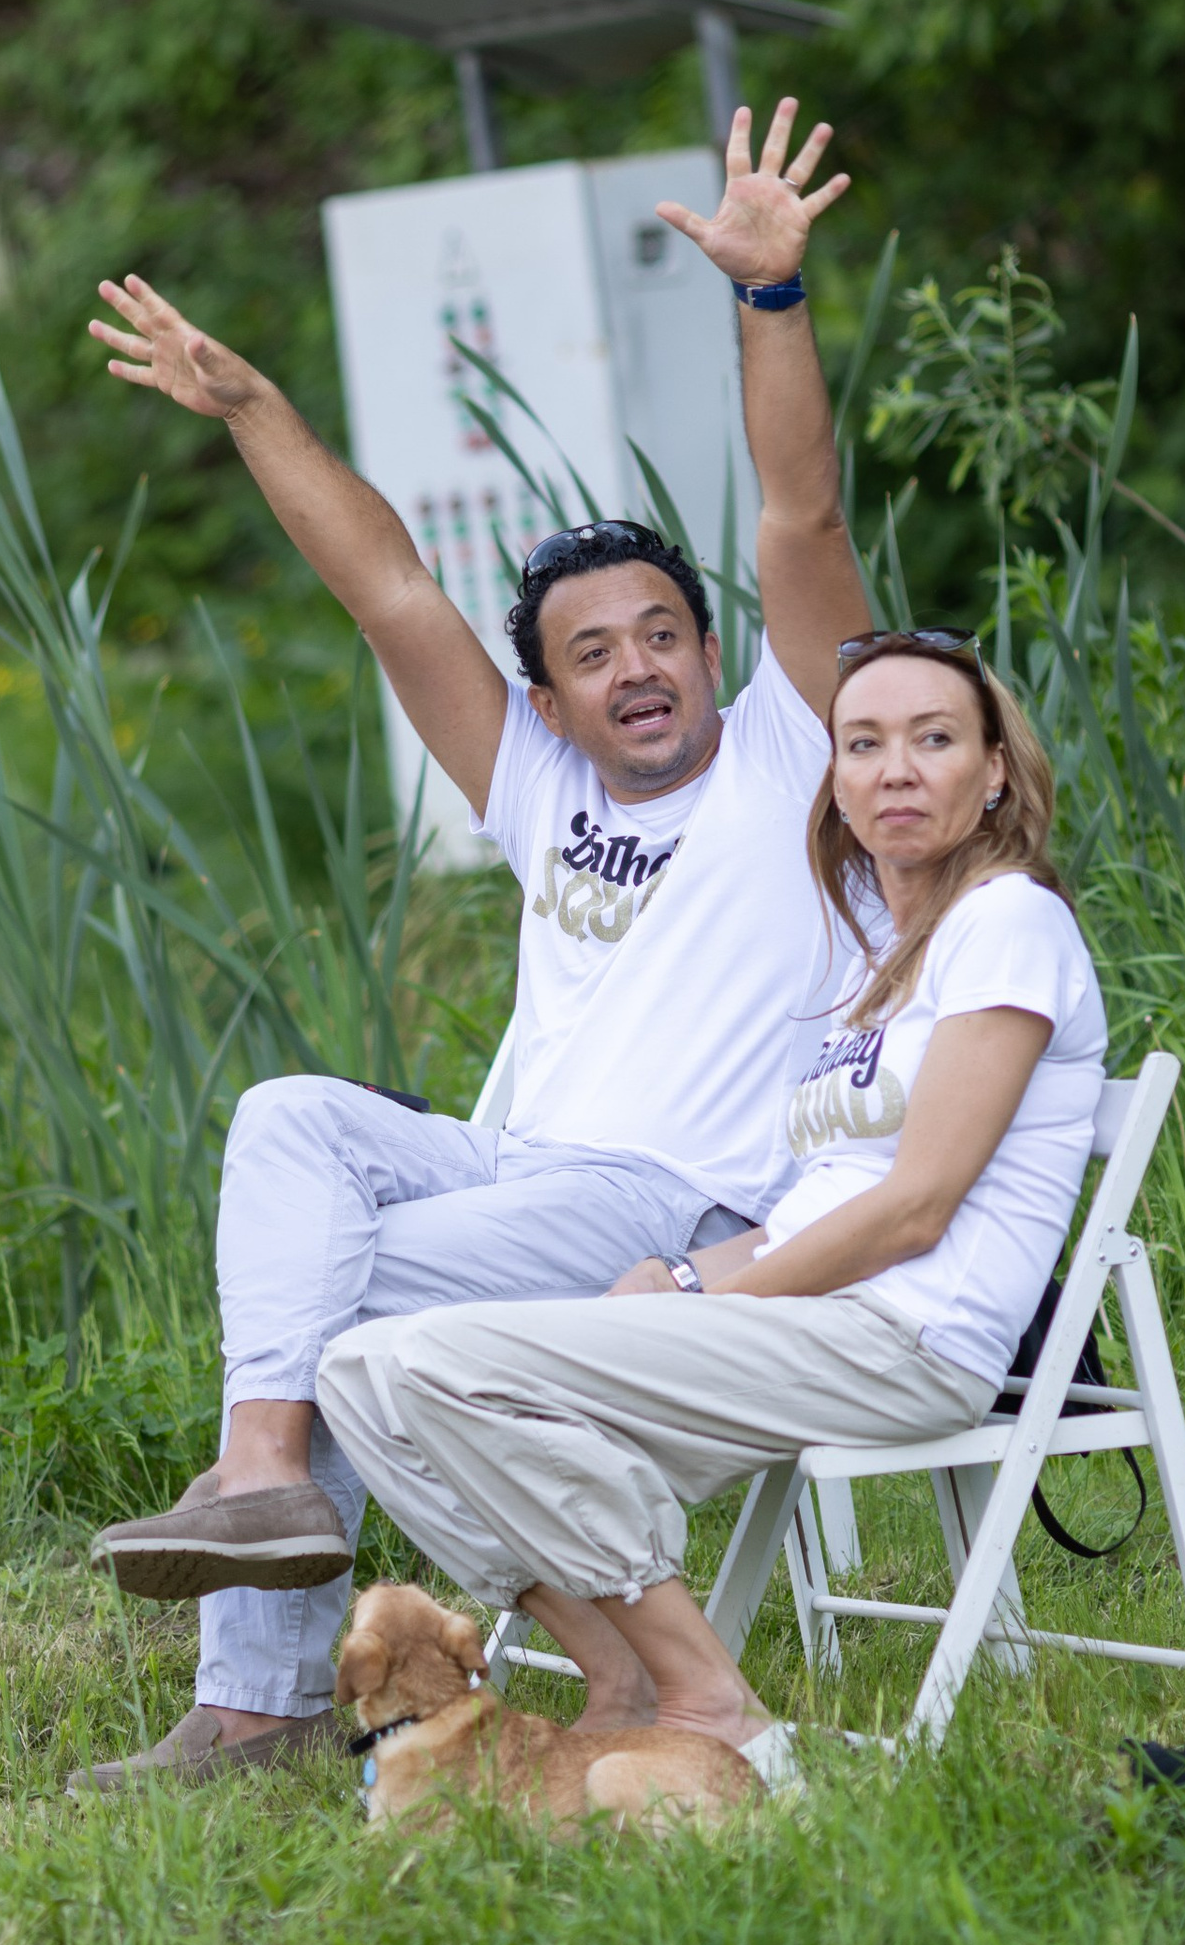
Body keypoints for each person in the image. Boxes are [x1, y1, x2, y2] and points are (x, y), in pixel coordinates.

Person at [75, 99, 876, 1791]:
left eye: (665, 632)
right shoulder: (538, 781)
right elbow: (389, 591)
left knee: (332, 1291)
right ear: (552, 694)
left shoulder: (805, 758)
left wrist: (770, 302)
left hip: (674, 1199)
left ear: (712, 650)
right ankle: (264, 1470)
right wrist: (250, 407)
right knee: (288, 1116)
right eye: (596, 650)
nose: (640, 666)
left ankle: (257, 1693)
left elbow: (800, 522)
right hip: (523, 1172)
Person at [314, 629, 1107, 1757]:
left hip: (909, 1338)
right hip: (813, 1316)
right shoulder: (882, 970)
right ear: (832, 777)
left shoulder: (1007, 920)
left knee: (430, 1367)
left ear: (992, 772)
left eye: (933, 739)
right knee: (359, 1372)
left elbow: (913, 1210)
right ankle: (620, 1676)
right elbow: (814, 1209)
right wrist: (682, 1275)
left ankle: (706, 1700)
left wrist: (714, 1309)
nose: (894, 768)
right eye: (862, 742)